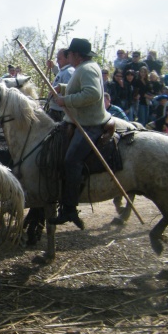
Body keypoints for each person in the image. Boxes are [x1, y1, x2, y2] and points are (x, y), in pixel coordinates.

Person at [48, 38, 110, 229]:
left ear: (76, 55)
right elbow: (80, 88)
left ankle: (69, 208)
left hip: (90, 123)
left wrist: (66, 100)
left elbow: (92, 94)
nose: (68, 57)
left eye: (69, 54)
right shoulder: (85, 67)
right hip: (79, 120)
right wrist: (63, 88)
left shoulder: (87, 68)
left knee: (71, 160)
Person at [46, 49, 75, 122]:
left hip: (60, 111)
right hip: (55, 109)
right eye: (57, 58)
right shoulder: (63, 71)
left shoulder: (69, 71)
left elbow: (69, 90)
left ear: (67, 58)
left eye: (59, 58)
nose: (57, 61)